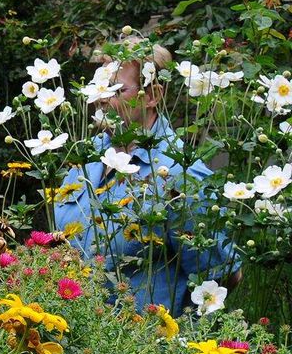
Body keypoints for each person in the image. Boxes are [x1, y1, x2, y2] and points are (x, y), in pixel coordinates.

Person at [53, 41, 238, 313]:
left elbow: (221, 275)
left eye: (116, 89)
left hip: (140, 336)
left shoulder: (180, 174)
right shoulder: (85, 157)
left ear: (152, 96)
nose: (102, 97)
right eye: (100, 86)